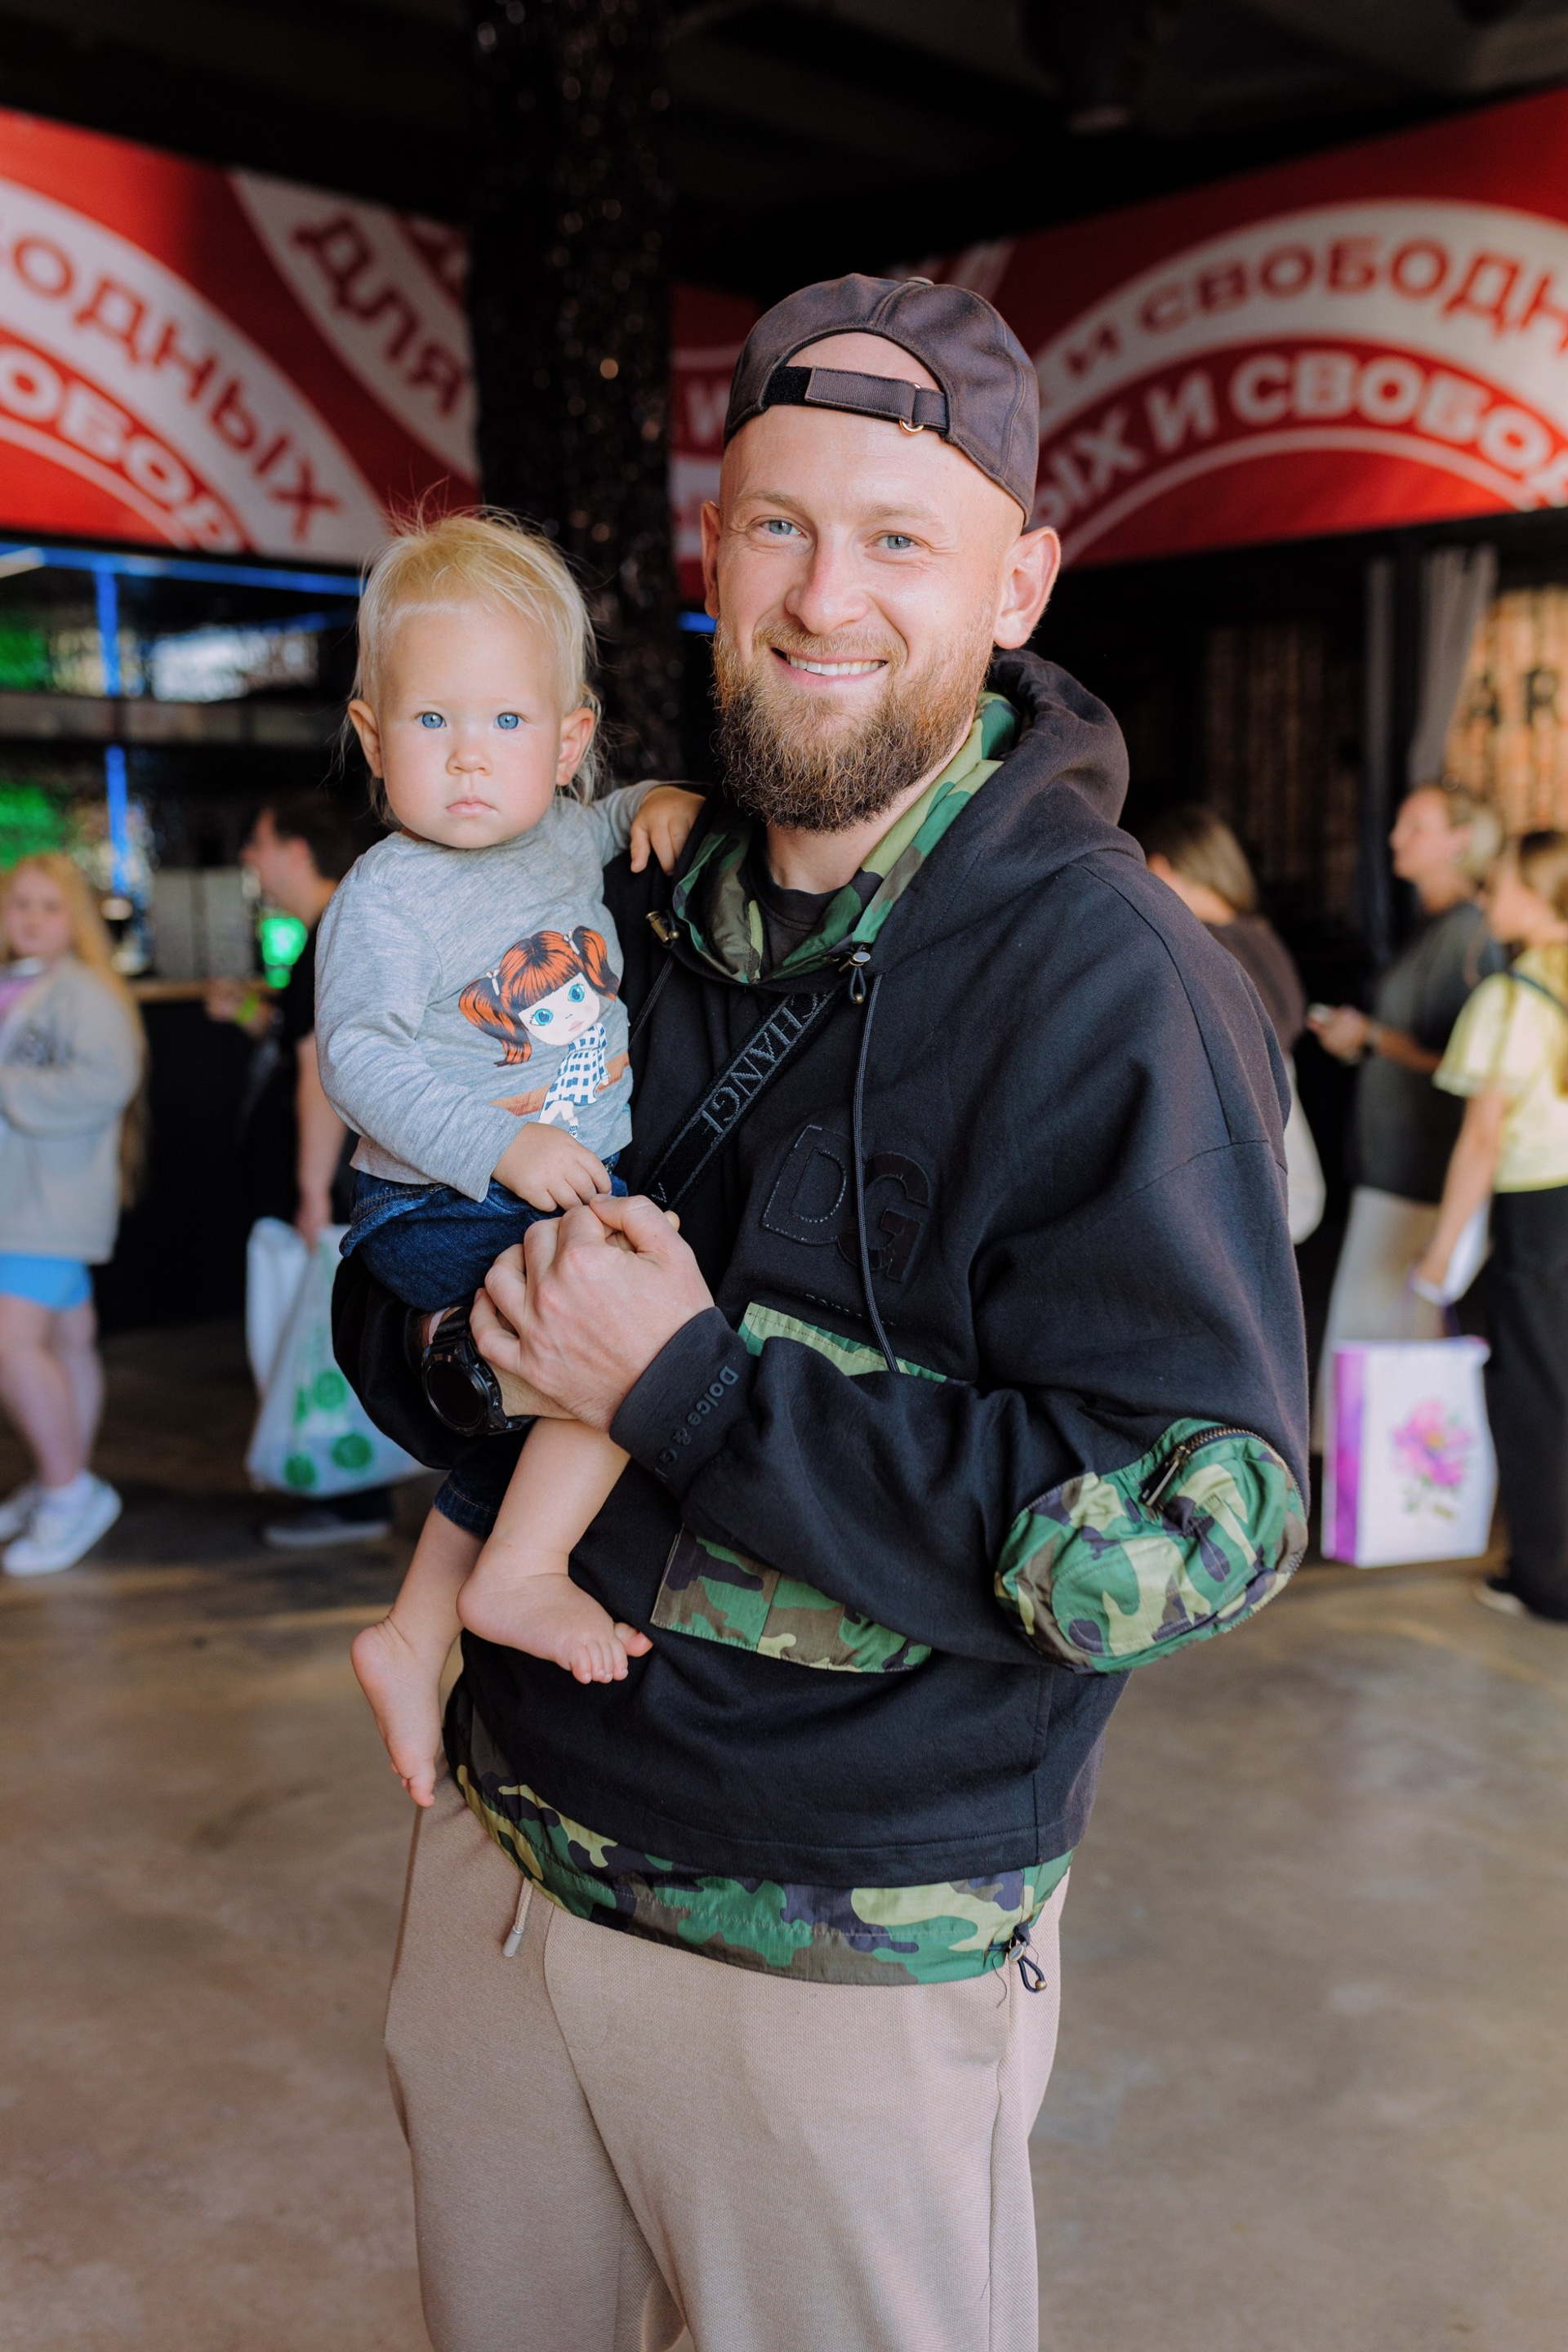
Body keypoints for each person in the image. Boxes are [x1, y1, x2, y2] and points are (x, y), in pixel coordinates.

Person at [333, 275, 1309, 2352]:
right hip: (504, 1878)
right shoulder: (609, 892)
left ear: (1019, 580)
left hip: (844, 1969)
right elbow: (393, 1241)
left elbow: (1191, 1529)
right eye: (776, 524)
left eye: (896, 537)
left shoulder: (1115, 988)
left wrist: (688, 1389)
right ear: (713, 551)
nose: (820, 594)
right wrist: (458, 1346)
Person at [313, 512, 701, 1793]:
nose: (470, 762)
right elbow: (357, 1063)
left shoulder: (561, 833)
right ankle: (518, 1578)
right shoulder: (388, 898)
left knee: (518, 1428)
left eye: (506, 726)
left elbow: (621, 819)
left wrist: (663, 805)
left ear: (569, 742)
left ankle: (414, 1630)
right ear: (373, 737)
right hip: (437, 1195)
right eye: (431, 725)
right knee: (621, 1346)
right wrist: (501, 1147)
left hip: (540, 1184)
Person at [208, 791, 391, 1549]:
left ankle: (355, 1500)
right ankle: (348, 1493)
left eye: (257, 842)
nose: (249, 859)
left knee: (335, 1336)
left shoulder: (335, 932)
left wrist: (314, 1188)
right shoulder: (331, 931)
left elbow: (321, 1069)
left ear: (294, 850)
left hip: (331, 1185)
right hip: (325, 1181)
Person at [1307, 782, 1501, 1438]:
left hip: (1420, 1169)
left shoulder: (1469, 933)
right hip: (1395, 1165)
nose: (1396, 839)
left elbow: (1466, 1060)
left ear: (1461, 841)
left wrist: (1371, 1037)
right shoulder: (1438, 926)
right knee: (1374, 1334)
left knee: (1381, 1340)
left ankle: (1383, 1497)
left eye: (1415, 826)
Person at [1415, 831, 1568, 1624]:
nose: (1486, 896)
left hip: (1540, 1211)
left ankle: (1545, 1577)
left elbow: (1481, 1140)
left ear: (1543, 898)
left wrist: (1442, 1250)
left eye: (1502, 885)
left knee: (1536, 1390)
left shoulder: (1510, 998)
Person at [0, 854, 144, 1575]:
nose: (29, 917)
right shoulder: (16, 984)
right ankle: (62, 1482)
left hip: (45, 1206)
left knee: (11, 1347)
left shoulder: (84, 991)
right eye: (18, 902)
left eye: (48, 906)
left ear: (76, 919)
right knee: (64, 1344)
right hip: (21, 1203)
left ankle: (68, 1492)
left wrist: (8, 1086)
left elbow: (109, 1079)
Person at [1141, 801, 1323, 1241]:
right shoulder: (1261, 937)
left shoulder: (1202, 947)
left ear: (1162, 867)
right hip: (1288, 1147)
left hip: (1247, 1149)